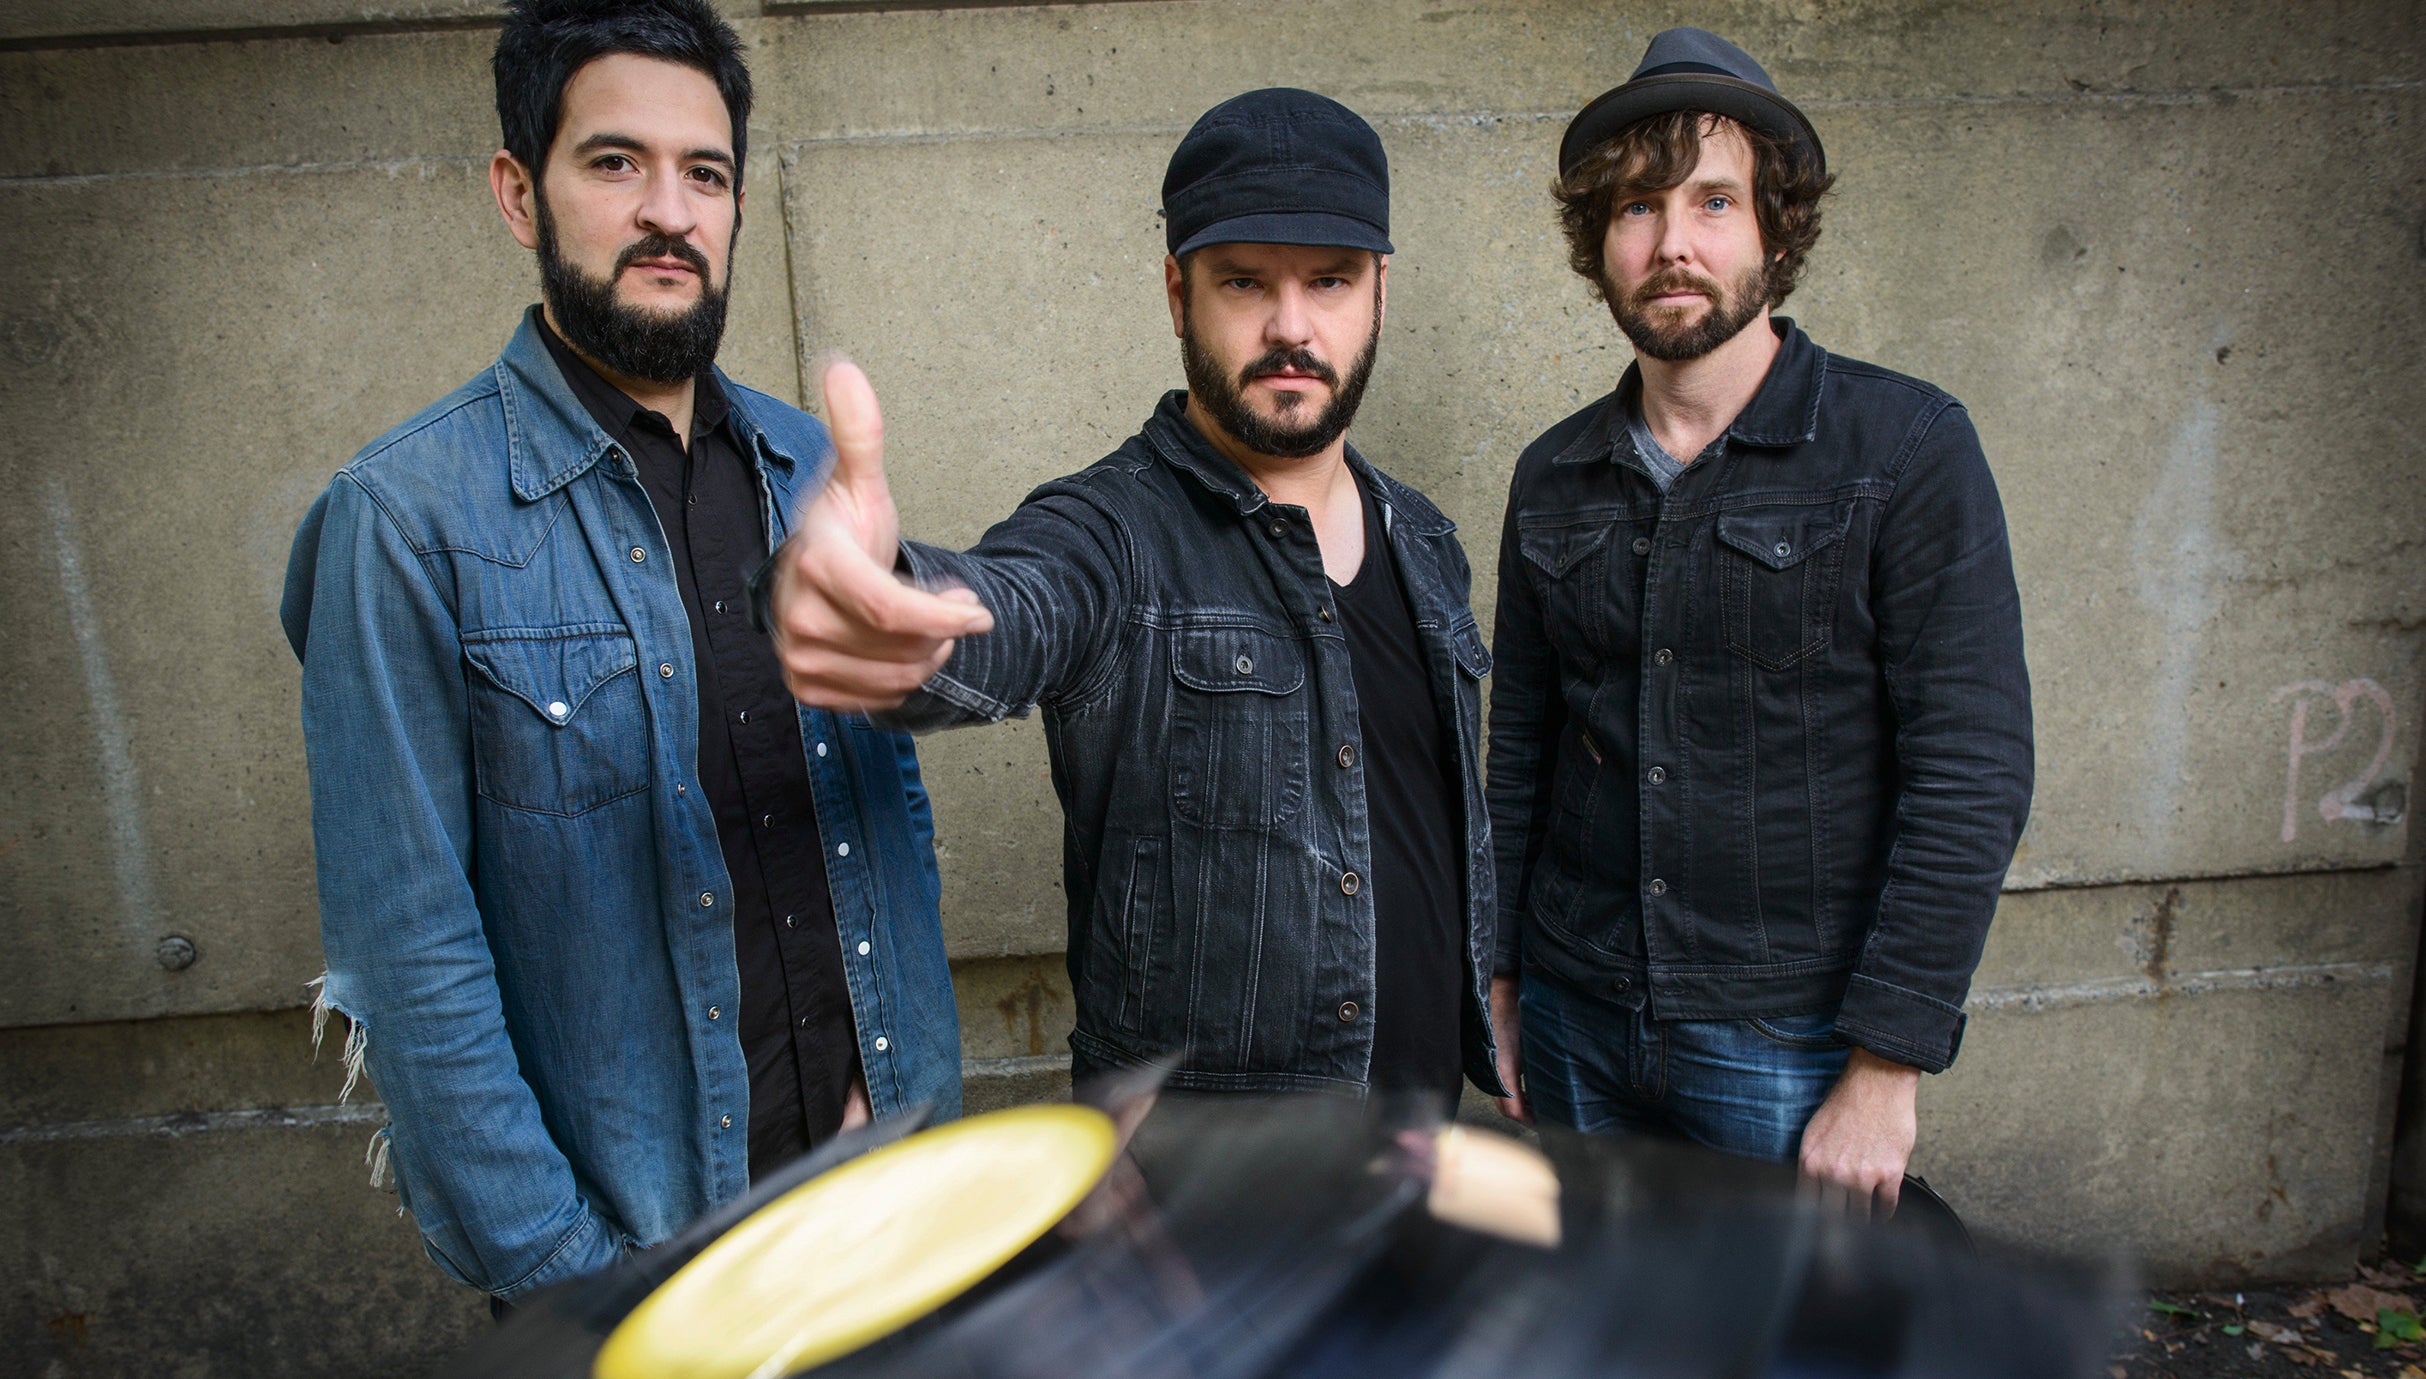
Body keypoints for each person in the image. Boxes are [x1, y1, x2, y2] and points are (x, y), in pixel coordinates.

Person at [279, 0, 959, 1306]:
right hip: (637, 1266)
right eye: (613, 163)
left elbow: (883, 825)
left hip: (876, 1208)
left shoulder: (807, 468)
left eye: (704, 173)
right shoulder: (404, 519)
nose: (668, 212)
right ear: (517, 192)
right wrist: (570, 1278)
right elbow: (410, 958)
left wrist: (912, 1112)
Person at [761, 90, 1506, 1106]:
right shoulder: (1113, 532)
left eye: (1329, 280)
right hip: (1195, 1174)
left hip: (1421, 1136)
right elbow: (1023, 600)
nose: (1290, 326)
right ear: (1176, 293)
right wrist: (879, 602)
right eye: (1243, 281)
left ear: (1379, 289)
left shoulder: (1422, 538)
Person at [1485, 28, 2033, 1210]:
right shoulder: (1553, 475)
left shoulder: (1904, 448)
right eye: (1635, 207)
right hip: (1575, 1012)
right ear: (1599, 244)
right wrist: (1501, 981)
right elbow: (1520, 748)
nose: (1671, 242)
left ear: (1776, 231)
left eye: (1713, 201)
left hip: (1787, 1035)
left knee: (1780, 1312)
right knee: (1607, 1302)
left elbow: (1971, 769)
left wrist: (1886, 1063)